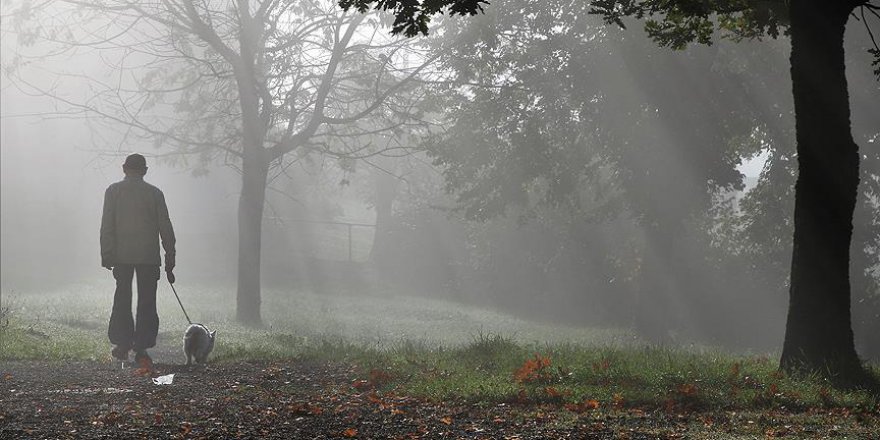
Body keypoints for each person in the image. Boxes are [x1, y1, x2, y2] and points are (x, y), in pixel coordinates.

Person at [100, 153, 176, 364]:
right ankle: (142, 346)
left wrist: (107, 254)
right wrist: (170, 257)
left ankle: (122, 343)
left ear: (124, 168)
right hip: (148, 257)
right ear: (144, 170)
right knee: (147, 301)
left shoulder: (113, 192)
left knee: (122, 298)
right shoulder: (155, 194)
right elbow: (165, 227)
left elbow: (107, 226)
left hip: (121, 256)